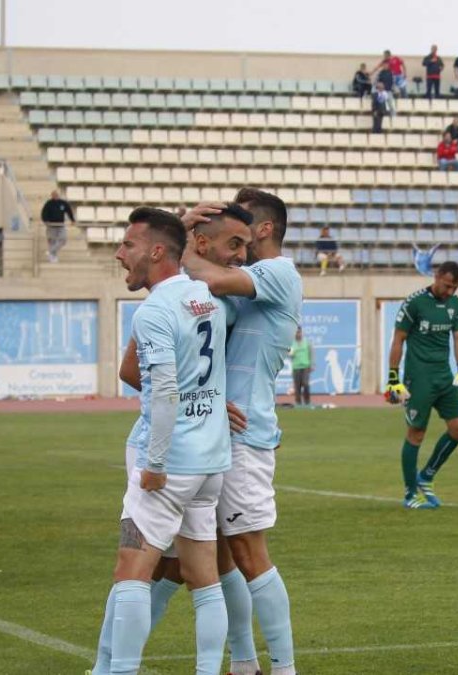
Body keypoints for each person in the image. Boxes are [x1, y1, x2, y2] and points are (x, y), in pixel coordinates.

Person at [99, 202, 256, 675]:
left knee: (131, 573)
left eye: (128, 244)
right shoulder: (206, 297)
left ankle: (118, 672)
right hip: (211, 462)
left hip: (171, 465)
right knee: (204, 581)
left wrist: (155, 463)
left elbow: (164, 389)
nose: (120, 253)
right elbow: (204, 371)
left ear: (158, 251)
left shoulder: (153, 312)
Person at [182, 189, 304, 675]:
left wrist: (185, 233)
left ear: (265, 229)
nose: (232, 230)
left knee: (251, 553)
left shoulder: (278, 272)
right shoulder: (247, 284)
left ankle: (285, 667)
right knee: (219, 553)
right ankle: (244, 661)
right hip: (216, 429)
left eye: (241, 223)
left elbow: (202, 273)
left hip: (245, 436)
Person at [384, 262, 458, 509]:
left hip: (444, 377)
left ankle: (427, 476)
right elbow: (398, 340)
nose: (450, 292)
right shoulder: (415, 303)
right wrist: (393, 378)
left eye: (454, 287)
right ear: (436, 276)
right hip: (418, 378)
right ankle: (410, 494)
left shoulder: (455, 305)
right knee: (416, 433)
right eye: (447, 286)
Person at [41, 189, 76, 263]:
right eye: (54, 195)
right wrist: (46, 220)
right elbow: (44, 213)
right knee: (52, 242)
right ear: (52, 195)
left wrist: (72, 220)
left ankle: (50, 251)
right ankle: (53, 257)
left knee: (63, 240)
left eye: (56, 195)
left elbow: (69, 211)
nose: (55, 196)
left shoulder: (63, 203)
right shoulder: (48, 203)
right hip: (51, 226)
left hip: (60, 225)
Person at [289, 327, 313, 407]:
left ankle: (307, 402)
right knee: (297, 386)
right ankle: (298, 402)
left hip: (305, 366)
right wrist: (290, 353)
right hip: (296, 366)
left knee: (306, 384)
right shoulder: (292, 343)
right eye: (296, 332)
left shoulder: (306, 342)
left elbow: (311, 353)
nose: (298, 334)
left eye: (299, 332)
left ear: (301, 332)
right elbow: (289, 354)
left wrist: (312, 364)